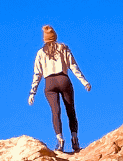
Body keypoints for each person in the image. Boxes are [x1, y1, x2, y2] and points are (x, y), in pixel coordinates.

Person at [28, 24, 91, 153]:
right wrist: (84, 82)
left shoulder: (40, 53)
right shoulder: (63, 47)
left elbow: (37, 74)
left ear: (44, 38)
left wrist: (32, 92)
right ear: (54, 36)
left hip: (49, 83)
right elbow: (73, 66)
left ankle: (60, 140)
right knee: (70, 109)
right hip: (63, 80)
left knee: (55, 111)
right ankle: (74, 139)